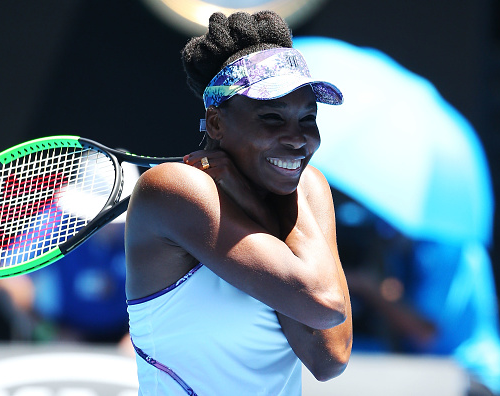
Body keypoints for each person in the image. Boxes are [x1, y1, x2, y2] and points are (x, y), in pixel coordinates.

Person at [124, 10, 352, 395]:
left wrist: (255, 203)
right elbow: (323, 302)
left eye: (307, 118)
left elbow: (330, 357)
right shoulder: (172, 189)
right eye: (272, 117)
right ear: (215, 124)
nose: (298, 139)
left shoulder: (307, 186)